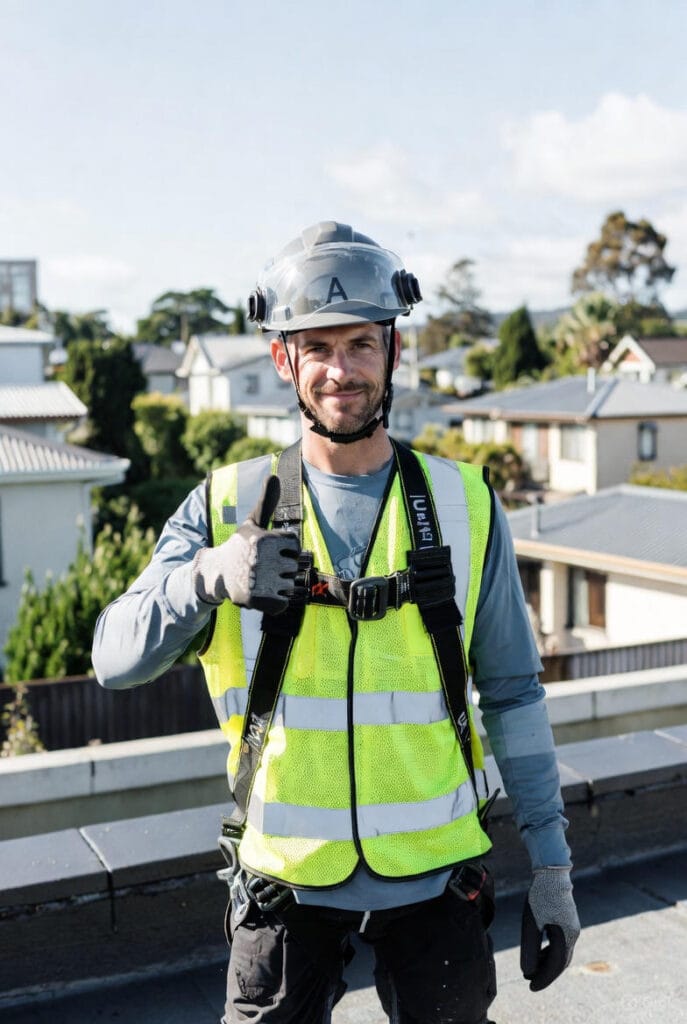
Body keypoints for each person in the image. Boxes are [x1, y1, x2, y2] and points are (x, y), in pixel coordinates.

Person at [93, 221, 580, 1024]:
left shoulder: (464, 504)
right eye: (316, 346)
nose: (340, 370)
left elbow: (514, 694)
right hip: (282, 878)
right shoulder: (224, 506)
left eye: (360, 342)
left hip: (437, 875)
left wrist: (554, 870)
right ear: (283, 359)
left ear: (394, 351)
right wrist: (207, 578)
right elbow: (114, 659)